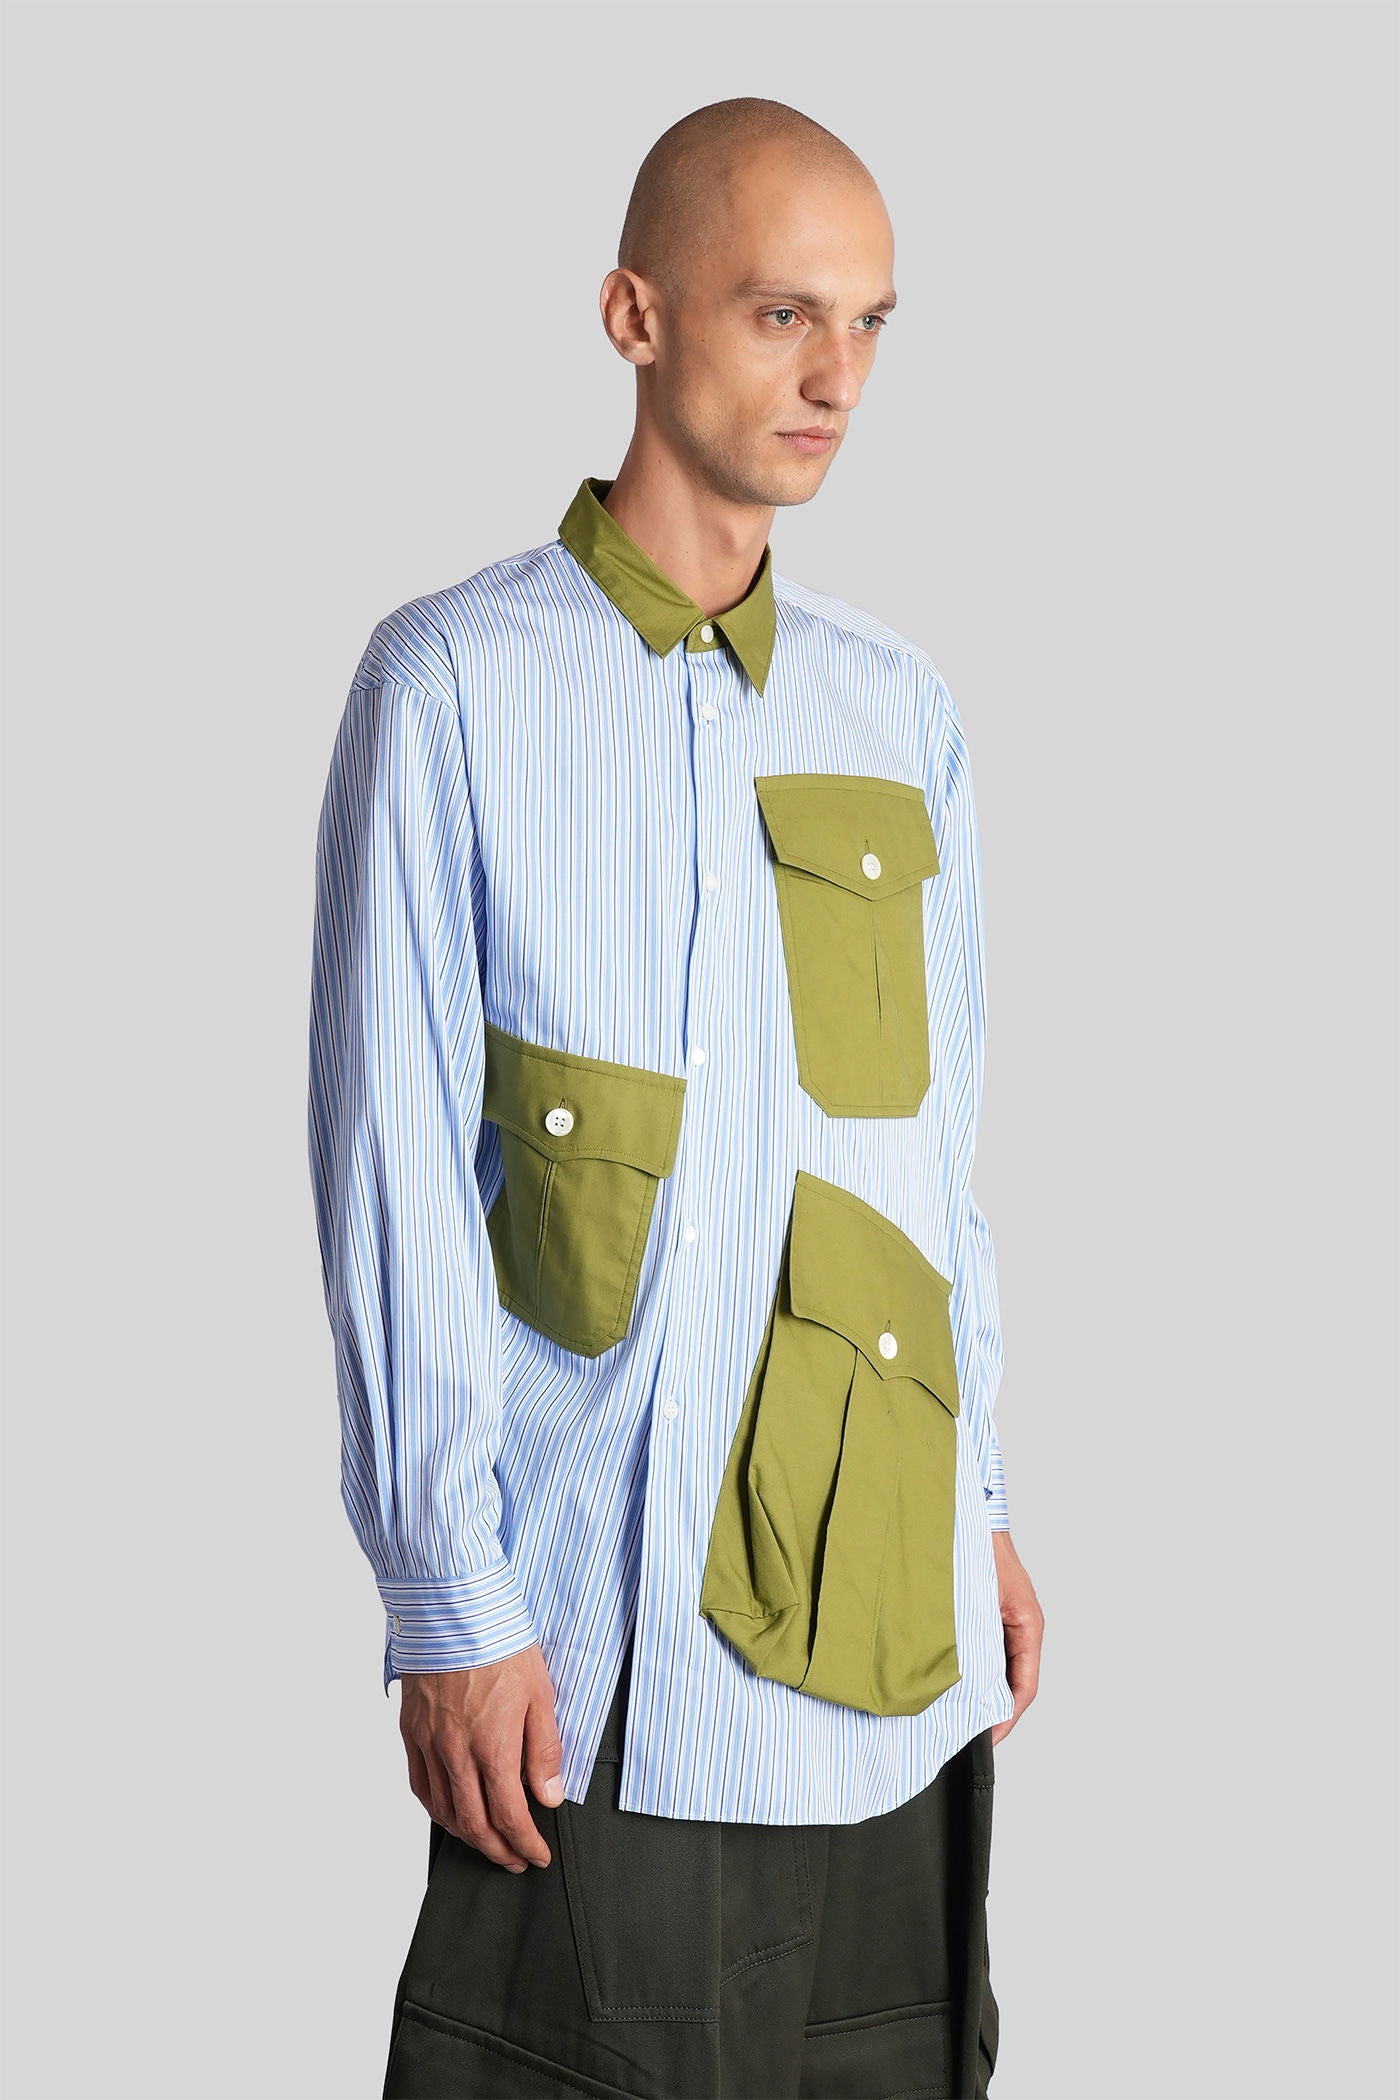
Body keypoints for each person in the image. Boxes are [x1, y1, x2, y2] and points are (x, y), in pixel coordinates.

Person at [308, 94, 1044, 2100]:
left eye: (870, 325)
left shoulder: (894, 708)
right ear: (633, 316)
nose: (836, 379)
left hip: (884, 1626)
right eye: (781, 314)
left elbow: (927, 1160)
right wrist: (447, 1602)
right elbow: (393, 1173)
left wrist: (976, 1506)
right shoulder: (455, 683)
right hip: (603, 1656)